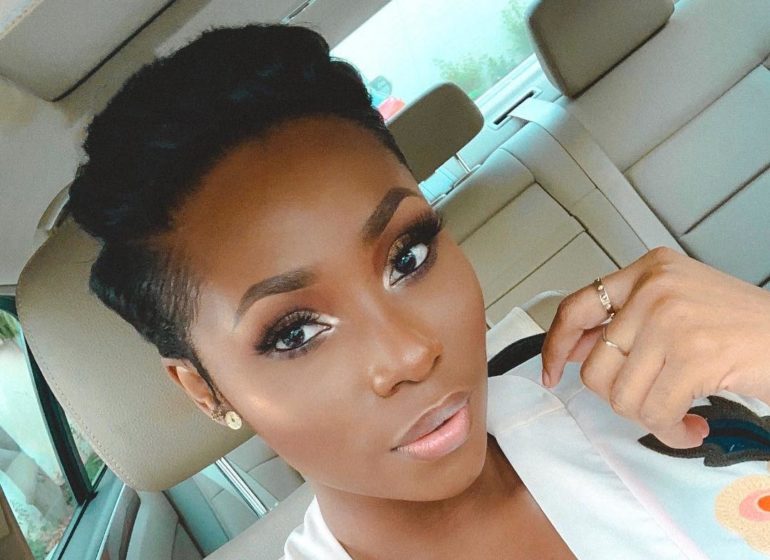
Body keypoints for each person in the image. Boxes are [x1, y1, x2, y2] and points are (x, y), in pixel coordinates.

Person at [66, 24, 770, 559]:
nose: (408, 354)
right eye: (294, 333)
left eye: (407, 257)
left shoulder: (637, 384)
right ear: (205, 390)